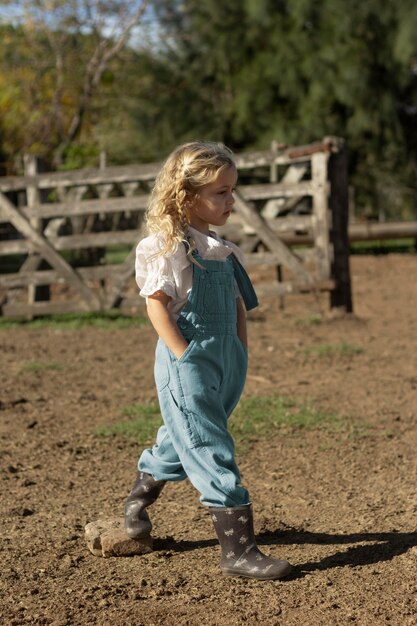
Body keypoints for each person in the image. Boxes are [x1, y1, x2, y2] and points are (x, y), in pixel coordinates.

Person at [124, 141, 292, 580]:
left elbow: (237, 302)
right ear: (186, 195)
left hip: (227, 360)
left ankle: (140, 492)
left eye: (232, 190)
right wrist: (185, 357)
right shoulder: (168, 247)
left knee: (185, 437)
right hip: (191, 361)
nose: (230, 200)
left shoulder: (222, 247)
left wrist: (240, 349)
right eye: (221, 192)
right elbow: (156, 305)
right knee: (210, 445)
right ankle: (237, 550)